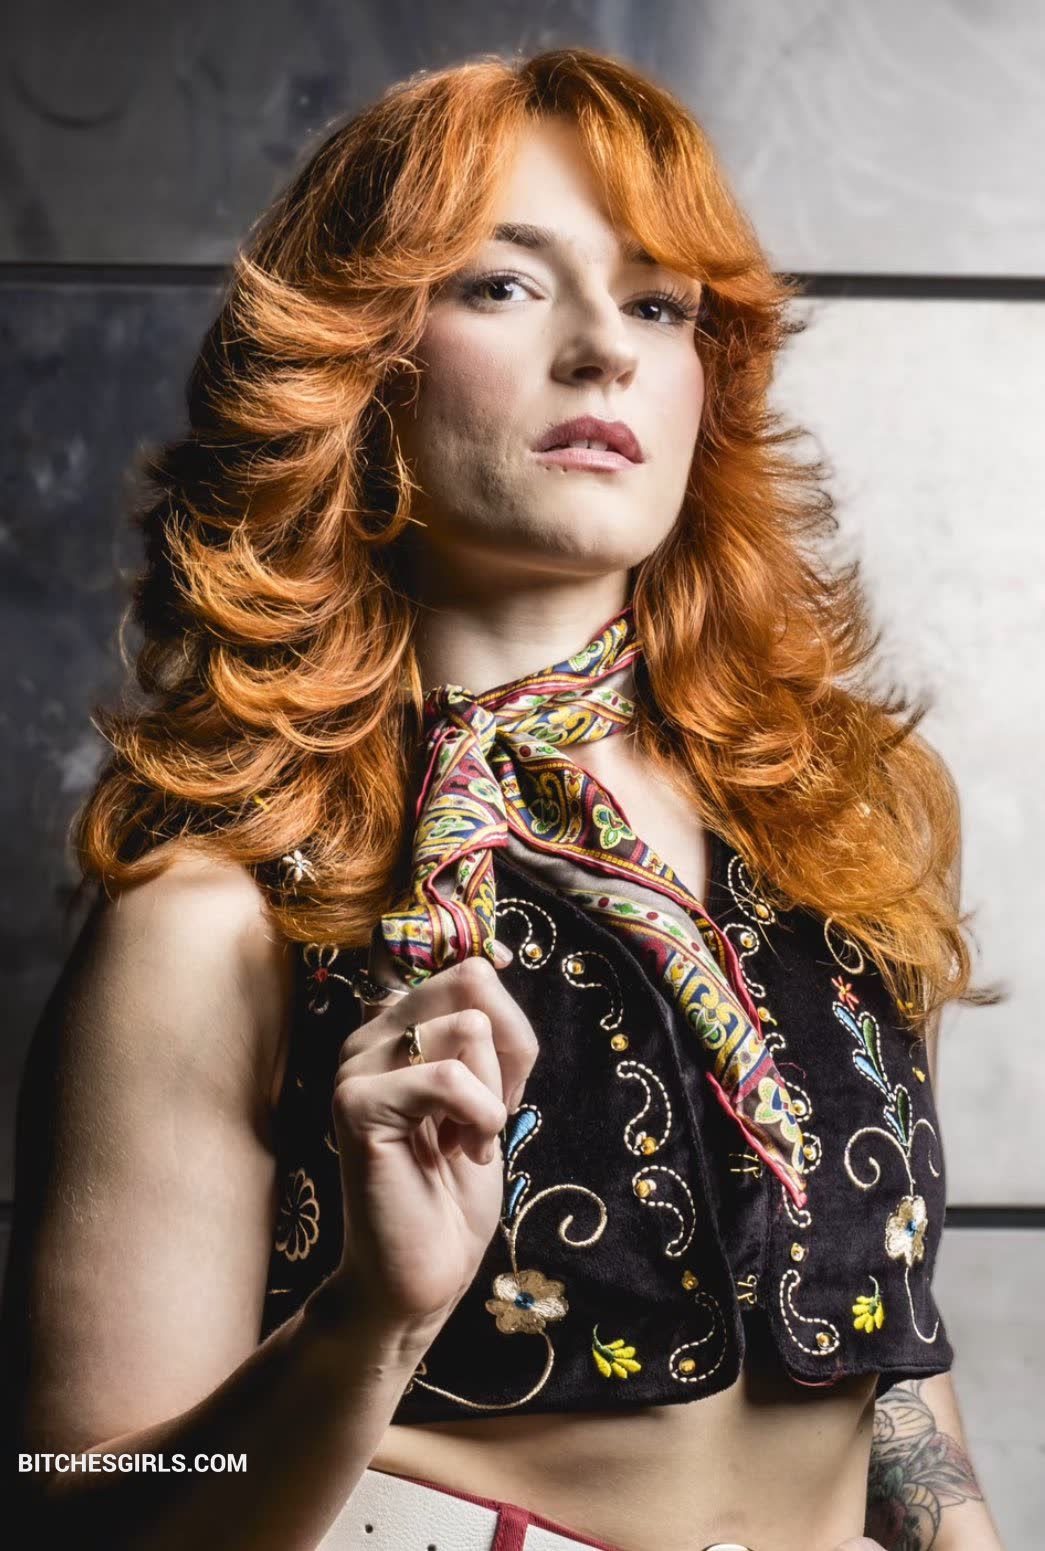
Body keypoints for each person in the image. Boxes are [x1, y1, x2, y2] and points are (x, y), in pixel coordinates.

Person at [1, 45, 1007, 1551]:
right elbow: (74, 1514)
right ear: (357, 362)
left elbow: (883, 1359)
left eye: (658, 305)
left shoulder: (837, 828)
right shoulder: (221, 913)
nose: (604, 349)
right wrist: (368, 1324)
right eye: (504, 284)